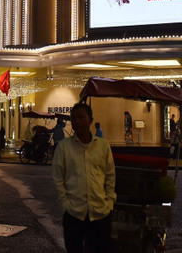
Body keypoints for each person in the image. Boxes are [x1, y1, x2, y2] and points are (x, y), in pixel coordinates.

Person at [52, 102, 116, 253]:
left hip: (100, 212)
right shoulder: (64, 147)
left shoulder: (103, 146)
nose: (77, 121)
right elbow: (57, 178)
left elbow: (110, 176)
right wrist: (65, 204)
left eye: (81, 117)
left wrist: (109, 201)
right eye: (74, 118)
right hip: (74, 213)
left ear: (91, 120)